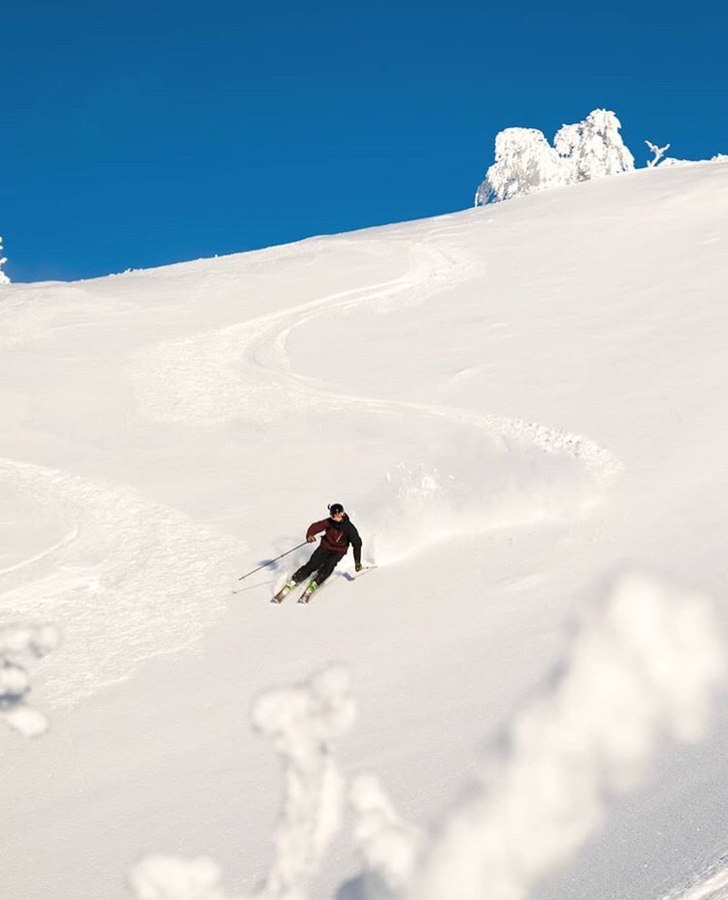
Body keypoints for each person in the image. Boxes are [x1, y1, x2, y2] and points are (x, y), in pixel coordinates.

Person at [273, 503, 363, 602]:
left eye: (338, 515)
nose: (336, 518)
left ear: (342, 514)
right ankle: (295, 580)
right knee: (313, 564)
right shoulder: (329, 522)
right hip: (325, 547)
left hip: (338, 551)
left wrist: (357, 562)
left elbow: (357, 544)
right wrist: (310, 535)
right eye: (333, 516)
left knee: (329, 565)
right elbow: (315, 527)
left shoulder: (349, 528)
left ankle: (316, 582)